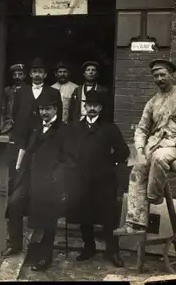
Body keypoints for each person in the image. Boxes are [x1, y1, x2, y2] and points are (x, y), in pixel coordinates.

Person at [114, 59, 176, 236]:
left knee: (159, 157)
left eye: (163, 75)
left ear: (171, 75)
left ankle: (154, 196)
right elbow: (142, 128)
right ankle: (135, 223)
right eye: (156, 76)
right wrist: (139, 148)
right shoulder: (152, 102)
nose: (159, 78)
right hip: (154, 144)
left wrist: (175, 142)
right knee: (138, 167)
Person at [0, 91, 75, 272]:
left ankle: (44, 256)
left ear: (55, 109)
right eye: (41, 109)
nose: (44, 113)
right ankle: (15, 243)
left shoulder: (64, 130)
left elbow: (69, 160)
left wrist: (57, 178)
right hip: (29, 178)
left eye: (47, 109)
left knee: (48, 220)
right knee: (15, 204)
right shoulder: (36, 127)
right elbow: (27, 150)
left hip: (50, 181)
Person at [65, 91, 130, 267]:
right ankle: (89, 247)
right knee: (84, 215)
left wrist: (108, 161)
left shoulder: (109, 128)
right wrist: (73, 167)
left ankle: (112, 251)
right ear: (84, 107)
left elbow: (124, 151)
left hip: (104, 179)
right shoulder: (75, 128)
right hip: (82, 179)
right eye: (89, 105)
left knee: (108, 216)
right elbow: (67, 151)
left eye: (96, 105)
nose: (92, 108)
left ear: (100, 108)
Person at [0, 63, 29, 134]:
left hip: (24, 125)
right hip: (8, 125)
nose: (17, 77)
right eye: (15, 74)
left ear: (25, 76)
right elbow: (3, 109)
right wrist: (2, 124)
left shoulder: (29, 90)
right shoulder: (8, 90)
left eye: (20, 74)